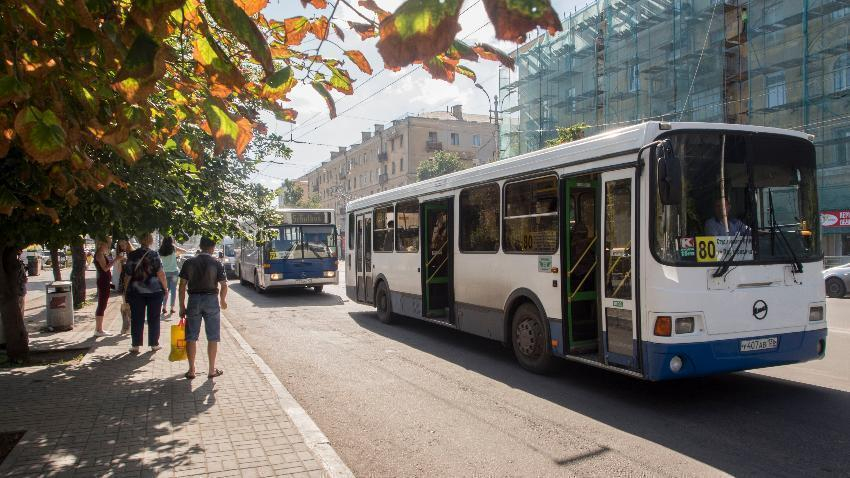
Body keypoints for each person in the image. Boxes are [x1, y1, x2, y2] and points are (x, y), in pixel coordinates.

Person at [179, 236, 228, 380]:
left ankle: (191, 370)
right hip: (211, 300)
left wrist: (182, 306)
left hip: (193, 300)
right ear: (212, 248)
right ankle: (211, 370)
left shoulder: (189, 262)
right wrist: (223, 300)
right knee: (213, 337)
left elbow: (182, 286)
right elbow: (224, 285)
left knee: (191, 337)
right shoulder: (216, 263)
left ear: (200, 246)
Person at [123, 233, 167, 354]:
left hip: (136, 292)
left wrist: (125, 290)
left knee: (137, 318)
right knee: (154, 318)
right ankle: (154, 344)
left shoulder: (132, 255)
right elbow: (161, 273)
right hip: (155, 291)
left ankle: (136, 345)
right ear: (151, 241)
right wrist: (165, 288)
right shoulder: (154, 254)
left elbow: (127, 275)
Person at [93, 237, 116, 337]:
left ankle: (99, 328)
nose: (108, 245)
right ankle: (98, 329)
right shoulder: (99, 254)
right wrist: (116, 260)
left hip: (105, 280)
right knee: (102, 304)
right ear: (102, 244)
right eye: (107, 243)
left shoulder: (103, 253)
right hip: (103, 280)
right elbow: (105, 268)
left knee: (103, 303)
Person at [158, 237, 184, 316]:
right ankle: (172, 308)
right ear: (171, 241)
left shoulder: (161, 250)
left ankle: (164, 307)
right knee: (173, 291)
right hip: (174, 272)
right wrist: (177, 253)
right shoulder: (173, 248)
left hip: (165, 272)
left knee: (166, 290)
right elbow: (183, 251)